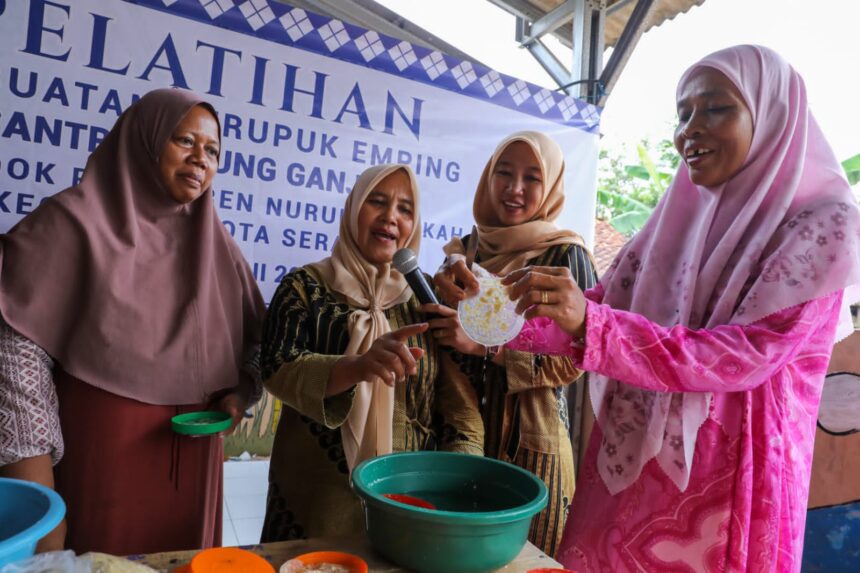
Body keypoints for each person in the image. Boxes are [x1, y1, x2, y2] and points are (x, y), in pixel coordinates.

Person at [501, 45, 860, 572]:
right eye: (683, 114)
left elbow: (745, 355)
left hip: (730, 485)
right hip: (633, 475)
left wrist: (589, 321)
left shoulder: (824, 225)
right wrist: (494, 312)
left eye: (715, 108)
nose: (689, 129)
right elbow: (596, 314)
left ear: (772, 116)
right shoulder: (676, 219)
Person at [0, 88, 266, 555]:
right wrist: (40, 503)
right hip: (103, 458)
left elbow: (260, 348)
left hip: (195, 465)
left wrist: (240, 394)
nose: (200, 159)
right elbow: (16, 357)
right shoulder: (71, 224)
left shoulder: (219, 249)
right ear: (144, 140)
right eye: (184, 141)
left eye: (213, 151)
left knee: (184, 561)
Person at [259, 164, 483, 542]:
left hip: (412, 504)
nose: (390, 217)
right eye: (376, 202)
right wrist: (356, 367)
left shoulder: (425, 298)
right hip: (314, 502)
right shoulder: (304, 286)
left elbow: (460, 409)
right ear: (352, 210)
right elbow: (277, 367)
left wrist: (455, 483)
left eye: (405, 209)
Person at [430, 131, 597, 556]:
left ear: (552, 186)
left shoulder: (565, 257)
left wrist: (486, 346)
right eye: (504, 172)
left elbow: (578, 357)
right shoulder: (462, 254)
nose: (514, 188)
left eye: (532, 177)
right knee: (453, 559)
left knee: (527, 560)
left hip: (531, 441)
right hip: (454, 433)